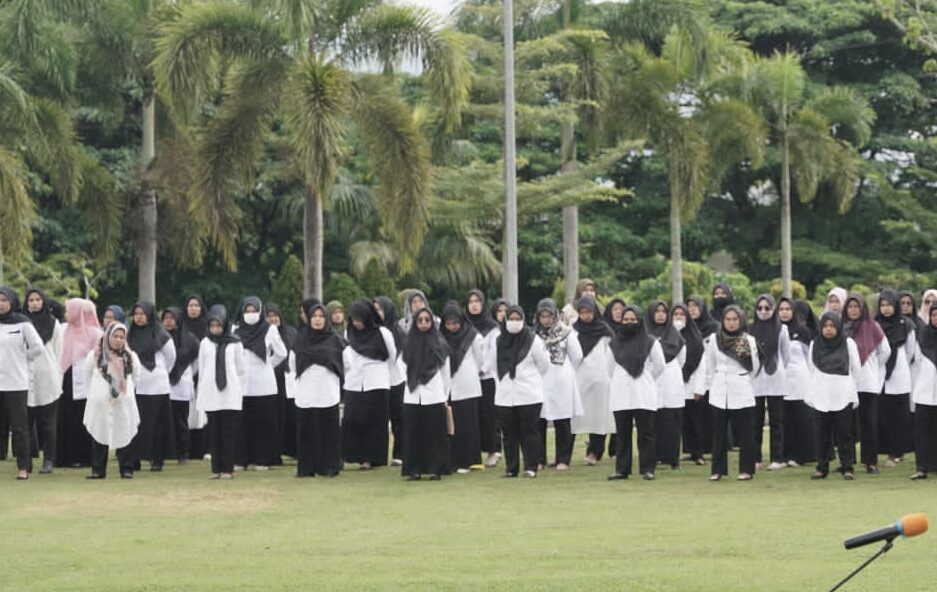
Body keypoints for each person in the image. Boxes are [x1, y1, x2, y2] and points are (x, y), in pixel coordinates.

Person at [698, 305, 761, 481]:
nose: (731, 323)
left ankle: (746, 470)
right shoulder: (714, 339)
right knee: (718, 433)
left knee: (746, 433)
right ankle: (717, 470)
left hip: (741, 388)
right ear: (723, 321)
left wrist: (743, 381)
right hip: (719, 390)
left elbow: (755, 367)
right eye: (728, 319)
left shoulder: (748, 340)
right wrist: (709, 386)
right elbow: (710, 365)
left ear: (740, 320)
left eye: (735, 319)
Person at [606, 305, 665, 481]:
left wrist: (645, 378)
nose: (629, 323)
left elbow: (659, 365)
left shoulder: (650, 341)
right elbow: (608, 369)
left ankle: (648, 469)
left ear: (640, 320)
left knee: (645, 433)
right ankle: (621, 470)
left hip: (643, 392)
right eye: (626, 320)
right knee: (622, 434)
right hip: (620, 393)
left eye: (633, 320)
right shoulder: (613, 343)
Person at [288, 303, 344, 478]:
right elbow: (292, 363)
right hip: (306, 392)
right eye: (314, 316)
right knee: (306, 431)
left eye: (321, 316)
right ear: (309, 319)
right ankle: (307, 468)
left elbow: (346, 364)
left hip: (327, 392)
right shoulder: (301, 339)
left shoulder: (335, 340)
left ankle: (329, 467)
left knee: (328, 431)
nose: (318, 320)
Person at [495, 305, 550, 478]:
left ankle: (531, 467)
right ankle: (511, 468)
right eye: (510, 319)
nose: (514, 322)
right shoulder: (499, 340)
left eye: (517, 319)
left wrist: (527, 378)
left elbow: (544, 365)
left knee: (529, 432)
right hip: (505, 395)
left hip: (528, 394)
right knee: (509, 433)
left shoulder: (533, 340)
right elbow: (490, 364)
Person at [233, 296, 287, 470]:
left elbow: (281, 352)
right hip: (242, 384)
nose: (251, 314)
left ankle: (262, 459)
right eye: (247, 311)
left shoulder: (269, 329)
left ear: (260, 311)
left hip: (264, 383)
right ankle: (241, 459)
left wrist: (268, 364)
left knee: (263, 424)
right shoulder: (236, 329)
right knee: (241, 423)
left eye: (254, 311)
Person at [805, 312, 861, 481]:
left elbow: (856, 368)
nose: (828, 330)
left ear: (838, 327)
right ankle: (822, 468)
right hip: (821, 392)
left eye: (832, 326)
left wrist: (850, 389)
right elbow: (811, 368)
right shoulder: (815, 343)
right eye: (825, 326)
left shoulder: (848, 343)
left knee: (844, 433)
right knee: (821, 433)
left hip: (842, 392)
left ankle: (847, 467)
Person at [342, 299, 397, 470]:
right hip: (354, 382)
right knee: (353, 418)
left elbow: (392, 356)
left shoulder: (383, 333)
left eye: (359, 319)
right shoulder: (348, 333)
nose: (356, 323)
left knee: (374, 421)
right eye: (353, 319)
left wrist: (381, 374)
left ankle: (371, 458)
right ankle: (352, 455)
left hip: (376, 382)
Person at [83, 322, 140, 479]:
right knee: (99, 433)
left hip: (123, 403)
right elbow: (86, 375)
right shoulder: (95, 356)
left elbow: (136, 377)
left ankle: (126, 468)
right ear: (107, 336)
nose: (118, 340)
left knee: (125, 433)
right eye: (115, 336)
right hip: (100, 404)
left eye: (122, 337)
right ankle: (98, 469)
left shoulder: (130, 357)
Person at [400, 308, 451, 480]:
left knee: (434, 433)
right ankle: (414, 470)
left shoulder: (440, 344)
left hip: (434, 394)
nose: (423, 323)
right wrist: (411, 379)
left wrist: (445, 396)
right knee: (413, 433)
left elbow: (446, 372)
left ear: (432, 322)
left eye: (426, 320)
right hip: (413, 394)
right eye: (419, 320)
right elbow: (401, 366)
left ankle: (435, 469)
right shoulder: (408, 343)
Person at [196, 305, 245, 480]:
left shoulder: (235, 343)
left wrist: (237, 388)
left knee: (228, 432)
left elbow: (240, 369)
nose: (215, 329)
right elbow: (202, 370)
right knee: (214, 432)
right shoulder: (205, 343)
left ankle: (228, 469)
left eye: (218, 326)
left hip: (229, 393)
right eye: (212, 326)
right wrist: (201, 393)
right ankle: (216, 469)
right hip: (211, 393)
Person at [842, 293, 890, 474]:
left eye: (857, 307)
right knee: (846, 425)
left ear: (863, 308)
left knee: (869, 424)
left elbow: (885, 351)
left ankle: (870, 461)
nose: (853, 310)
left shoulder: (873, 326)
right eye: (850, 307)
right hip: (847, 383)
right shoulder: (841, 327)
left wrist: (874, 369)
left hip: (867, 382)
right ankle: (848, 461)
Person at [533, 298, 582, 471]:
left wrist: (564, 371)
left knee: (562, 421)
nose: (546, 320)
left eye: (549, 316)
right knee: (539, 420)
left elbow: (577, 356)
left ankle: (563, 459)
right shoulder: (533, 335)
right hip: (539, 380)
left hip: (561, 379)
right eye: (542, 316)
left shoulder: (567, 332)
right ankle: (539, 459)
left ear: (555, 316)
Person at [0, 287, 44, 480]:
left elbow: (38, 347)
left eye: (4, 300)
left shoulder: (22, 323)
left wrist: (22, 357)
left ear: (12, 301)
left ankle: (23, 468)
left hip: (16, 383)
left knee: (19, 427)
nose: (1, 304)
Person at [128, 301, 176, 472]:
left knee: (157, 425)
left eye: (142, 313)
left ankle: (157, 459)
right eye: (136, 314)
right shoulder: (129, 335)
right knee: (136, 424)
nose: (139, 317)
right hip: (136, 386)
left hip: (157, 385)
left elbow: (171, 358)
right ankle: (134, 458)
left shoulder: (161, 335)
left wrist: (159, 372)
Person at [56, 298, 102, 468]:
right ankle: (64, 457)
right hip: (66, 380)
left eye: (70, 310)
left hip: (86, 381)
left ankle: (84, 457)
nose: (67, 314)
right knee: (65, 417)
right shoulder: (63, 330)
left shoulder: (95, 334)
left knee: (83, 418)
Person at [441, 301, 486, 474]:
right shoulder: (441, 336)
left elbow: (481, 359)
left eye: (455, 323)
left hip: (468, 384)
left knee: (469, 423)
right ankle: (454, 460)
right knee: (453, 424)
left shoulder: (472, 335)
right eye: (448, 323)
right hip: (449, 385)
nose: (452, 327)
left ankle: (471, 460)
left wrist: (475, 372)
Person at [571, 296, 615, 466]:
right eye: (582, 312)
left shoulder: (605, 330)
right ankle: (564, 456)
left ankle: (595, 452)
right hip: (579, 379)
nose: (586, 316)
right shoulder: (573, 332)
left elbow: (611, 354)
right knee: (574, 418)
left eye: (589, 312)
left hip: (600, 380)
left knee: (598, 417)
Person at [24, 288, 64, 474]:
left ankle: (49, 459)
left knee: (49, 424)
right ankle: (25, 461)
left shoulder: (53, 323)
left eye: (37, 299)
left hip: (48, 377)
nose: (34, 303)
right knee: (24, 423)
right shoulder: (20, 322)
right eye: (30, 300)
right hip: (24, 377)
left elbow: (59, 352)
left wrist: (58, 378)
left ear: (43, 301)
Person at [876, 290, 917, 468]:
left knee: (898, 417)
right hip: (879, 372)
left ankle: (897, 452)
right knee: (882, 414)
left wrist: (897, 364)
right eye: (882, 305)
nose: (886, 309)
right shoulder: (875, 324)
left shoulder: (906, 324)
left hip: (899, 373)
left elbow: (910, 351)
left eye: (889, 305)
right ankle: (883, 450)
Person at [750, 294, 791, 471]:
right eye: (760, 308)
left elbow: (786, 355)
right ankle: (756, 458)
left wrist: (778, 368)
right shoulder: (750, 329)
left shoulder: (782, 329)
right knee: (755, 421)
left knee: (777, 421)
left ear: (773, 309)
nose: (763, 311)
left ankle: (777, 458)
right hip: (756, 379)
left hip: (776, 378)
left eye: (767, 308)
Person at [646, 300, 686, 471]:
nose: (661, 314)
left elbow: (682, 359)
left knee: (671, 422)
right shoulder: (644, 335)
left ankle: (673, 459)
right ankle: (653, 458)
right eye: (657, 311)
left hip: (671, 379)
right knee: (652, 422)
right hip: (651, 378)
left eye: (663, 311)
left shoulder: (675, 336)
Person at [779, 298, 817, 467]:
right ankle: (785, 454)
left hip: (801, 377)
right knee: (785, 418)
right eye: (781, 309)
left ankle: (803, 455)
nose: (785, 312)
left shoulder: (803, 331)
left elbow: (810, 356)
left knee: (802, 417)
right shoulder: (776, 329)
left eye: (788, 309)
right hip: (781, 378)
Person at [465, 290, 502, 467]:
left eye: (477, 301)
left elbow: (492, 353)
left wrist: (482, 369)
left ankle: (493, 451)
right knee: (473, 416)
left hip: (487, 377)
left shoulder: (492, 327)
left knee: (489, 415)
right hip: (468, 378)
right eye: (471, 301)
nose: (474, 305)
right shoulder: (463, 325)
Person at [161, 308, 200, 465]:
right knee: (163, 422)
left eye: (172, 318)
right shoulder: (159, 337)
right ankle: (163, 453)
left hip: (182, 385)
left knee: (180, 421)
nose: (169, 321)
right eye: (166, 318)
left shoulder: (190, 339)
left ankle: (183, 453)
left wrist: (188, 375)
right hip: (163, 385)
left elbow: (197, 363)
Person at [374, 296, 407, 467]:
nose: (378, 313)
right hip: (377, 381)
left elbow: (398, 358)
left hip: (396, 379)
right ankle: (377, 455)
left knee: (398, 419)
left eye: (380, 309)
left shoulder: (397, 332)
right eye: (375, 310)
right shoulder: (371, 331)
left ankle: (400, 454)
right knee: (378, 420)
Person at [672, 303, 706, 465]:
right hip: (673, 385)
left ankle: (697, 453)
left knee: (695, 422)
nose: (679, 318)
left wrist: (699, 387)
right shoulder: (668, 337)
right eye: (676, 315)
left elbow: (701, 364)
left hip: (691, 385)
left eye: (682, 315)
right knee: (677, 422)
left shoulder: (695, 337)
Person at [264, 303, 297, 463]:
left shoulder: (290, 332)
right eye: (269, 316)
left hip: (288, 378)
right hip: (270, 379)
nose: (272, 319)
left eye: (275, 315)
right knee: (273, 416)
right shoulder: (263, 334)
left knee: (289, 415)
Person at [910, 302, 937, 480]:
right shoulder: (922, 336)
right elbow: (917, 363)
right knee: (922, 432)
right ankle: (922, 467)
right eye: (934, 315)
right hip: (924, 392)